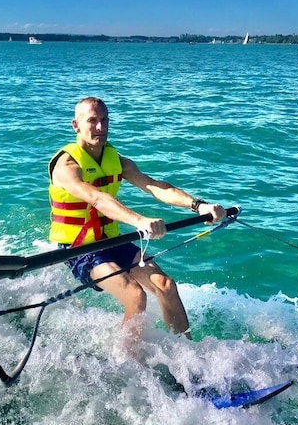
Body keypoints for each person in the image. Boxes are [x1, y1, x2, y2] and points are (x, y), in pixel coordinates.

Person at [48, 97, 227, 351]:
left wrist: (200, 206)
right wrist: (140, 221)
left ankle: (189, 357)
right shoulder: (66, 166)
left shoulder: (117, 161)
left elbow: (155, 186)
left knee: (165, 285)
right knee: (135, 294)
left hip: (113, 242)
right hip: (79, 249)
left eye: (104, 121)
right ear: (76, 125)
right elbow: (97, 198)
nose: (100, 127)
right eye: (92, 121)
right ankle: (127, 363)